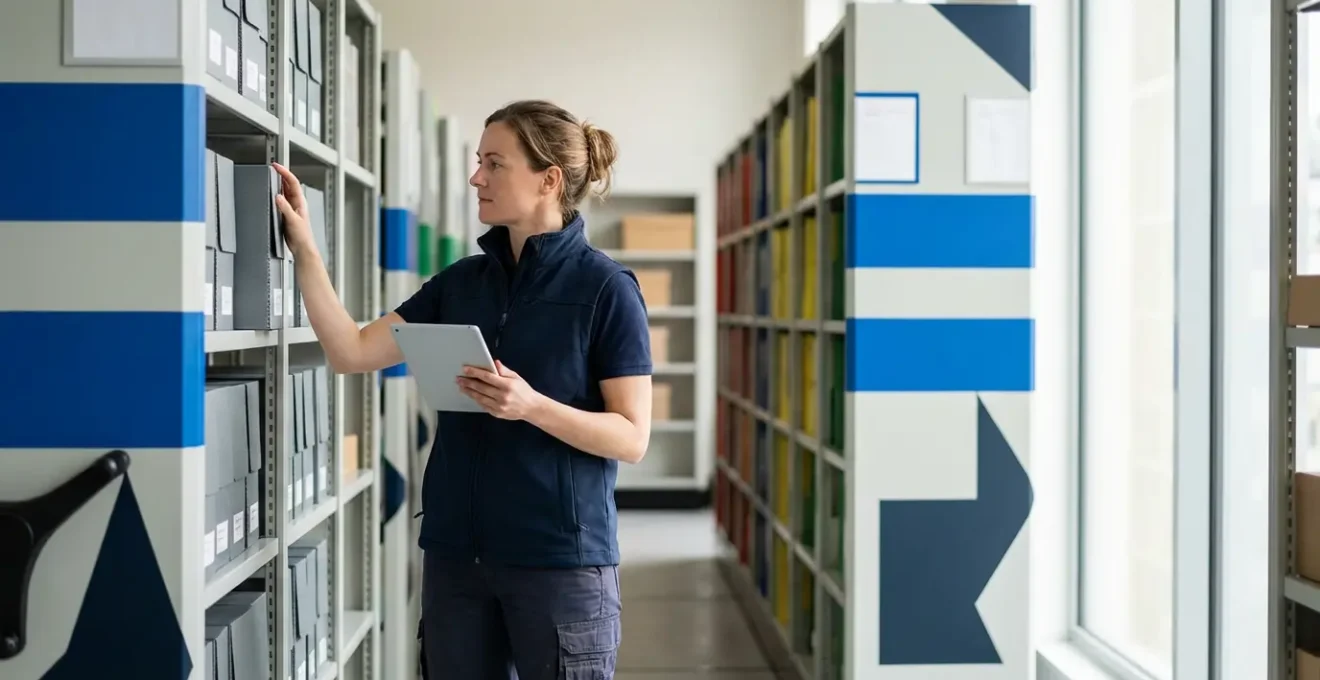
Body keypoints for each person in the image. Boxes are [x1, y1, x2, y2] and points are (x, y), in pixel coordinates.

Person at [273, 99, 651, 679]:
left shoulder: (606, 290)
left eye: (494, 163)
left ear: (548, 179)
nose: (477, 177)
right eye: (479, 161)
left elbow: (630, 437)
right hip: (456, 560)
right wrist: (305, 248)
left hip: (559, 565)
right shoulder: (460, 284)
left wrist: (531, 406)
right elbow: (351, 352)